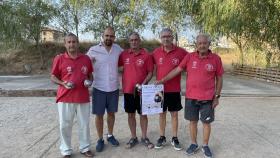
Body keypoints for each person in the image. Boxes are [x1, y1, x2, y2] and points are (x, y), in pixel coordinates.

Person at [155, 34, 224, 158]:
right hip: (191, 97)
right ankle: (193, 144)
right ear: (196, 45)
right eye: (200, 43)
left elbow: (219, 78)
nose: (202, 45)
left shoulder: (216, 59)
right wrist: (162, 80)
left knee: (206, 123)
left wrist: (217, 97)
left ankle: (205, 145)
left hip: (208, 98)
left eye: (204, 43)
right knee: (192, 122)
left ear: (209, 44)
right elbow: (177, 70)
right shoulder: (190, 57)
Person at [50, 33, 94, 158]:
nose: (71, 44)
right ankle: (66, 150)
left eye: (74, 42)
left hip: (82, 97)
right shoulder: (59, 58)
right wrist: (63, 83)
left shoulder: (86, 58)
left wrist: (89, 82)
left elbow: (90, 75)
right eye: (69, 42)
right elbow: (53, 76)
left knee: (84, 124)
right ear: (65, 44)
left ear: (78, 43)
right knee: (64, 125)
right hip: (65, 97)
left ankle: (85, 147)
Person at [87, 27, 123, 152]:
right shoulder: (93, 50)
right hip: (99, 88)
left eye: (111, 36)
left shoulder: (118, 49)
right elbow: (83, 63)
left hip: (113, 88)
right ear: (102, 36)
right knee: (99, 115)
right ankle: (100, 139)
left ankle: (110, 135)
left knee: (111, 114)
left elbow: (130, 56)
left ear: (114, 37)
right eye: (107, 35)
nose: (109, 38)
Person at [152, 28, 188, 150]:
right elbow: (148, 67)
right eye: (163, 37)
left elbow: (192, 61)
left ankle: (174, 137)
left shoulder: (182, 52)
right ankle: (162, 137)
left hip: (174, 90)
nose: (166, 38)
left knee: (174, 114)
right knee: (161, 114)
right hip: (160, 90)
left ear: (172, 37)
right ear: (160, 38)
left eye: (168, 36)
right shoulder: (156, 52)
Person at [118, 32, 154, 149]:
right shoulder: (123, 55)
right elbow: (118, 68)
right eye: (131, 40)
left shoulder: (146, 55)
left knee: (143, 114)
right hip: (128, 91)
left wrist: (143, 84)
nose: (134, 42)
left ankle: (144, 137)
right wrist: (121, 81)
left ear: (139, 41)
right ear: (129, 42)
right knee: (130, 115)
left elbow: (150, 72)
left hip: (142, 91)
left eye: (136, 40)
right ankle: (133, 137)